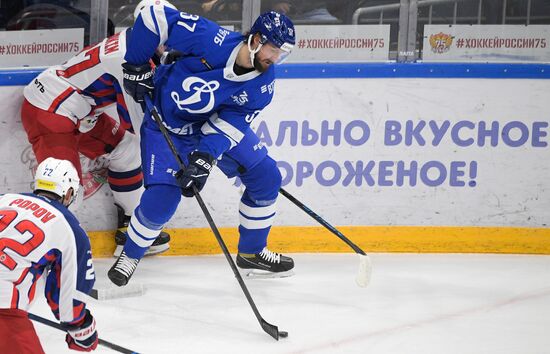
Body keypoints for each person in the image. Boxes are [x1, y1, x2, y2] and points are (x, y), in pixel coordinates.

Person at [107, 6, 296, 286]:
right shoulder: (209, 38)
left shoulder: (262, 84)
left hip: (210, 125)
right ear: (256, 40)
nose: (276, 58)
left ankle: (252, 251)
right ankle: (131, 254)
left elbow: (231, 124)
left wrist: (204, 158)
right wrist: (135, 65)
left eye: (282, 53)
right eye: (274, 49)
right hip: (168, 124)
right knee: (162, 201)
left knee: (267, 177)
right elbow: (154, 15)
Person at [20, 3, 172, 257]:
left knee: (128, 151)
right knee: (66, 186)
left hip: (79, 111)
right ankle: (43, 250)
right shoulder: (129, 59)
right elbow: (137, 124)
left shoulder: (136, 44)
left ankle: (133, 229)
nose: (170, 40)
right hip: (50, 109)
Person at [0, 158, 98, 353]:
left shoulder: (4, 199)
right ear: (69, 192)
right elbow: (68, 304)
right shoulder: (69, 228)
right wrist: (83, 331)